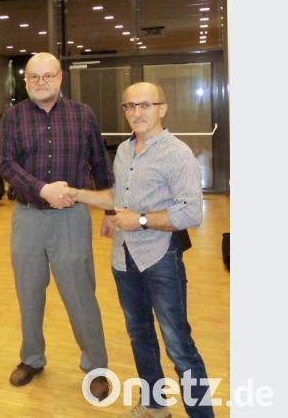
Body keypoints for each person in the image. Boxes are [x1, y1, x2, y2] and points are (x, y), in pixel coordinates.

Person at [68, 82, 212, 418]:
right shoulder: (123, 151)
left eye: (145, 105)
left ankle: (202, 414)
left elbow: (191, 212)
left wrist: (142, 220)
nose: (137, 113)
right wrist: (76, 193)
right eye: (130, 106)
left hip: (161, 257)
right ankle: (155, 405)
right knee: (139, 334)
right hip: (123, 258)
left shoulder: (177, 154)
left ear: (162, 109)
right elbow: (119, 200)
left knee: (178, 345)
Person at [0, 52, 113, 399]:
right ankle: (31, 358)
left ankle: (97, 367)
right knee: (29, 293)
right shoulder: (14, 118)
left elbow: (100, 164)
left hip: (71, 219)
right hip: (28, 218)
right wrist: (42, 189)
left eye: (47, 76)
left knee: (80, 295)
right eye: (34, 77)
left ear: (60, 78)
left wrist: (110, 213)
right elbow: (6, 164)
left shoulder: (83, 115)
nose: (40, 82)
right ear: (26, 81)